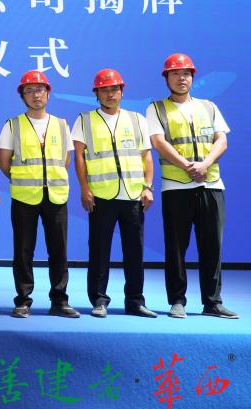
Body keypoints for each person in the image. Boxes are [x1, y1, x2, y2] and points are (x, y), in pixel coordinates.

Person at [147, 53, 237, 319]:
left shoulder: (209, 106)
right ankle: (177, 301)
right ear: (166, 78)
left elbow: (222, 140)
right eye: (175, 73)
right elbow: (158, 142)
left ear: (193, 77)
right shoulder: (157, 109)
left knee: (212, 246)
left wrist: (205, 164)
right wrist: (189, 166)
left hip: (211, 184)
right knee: (176, 247)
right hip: (176, 187)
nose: (181, 78)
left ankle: (213, 302)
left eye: (186, 73)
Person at [73, 68, 156, 318]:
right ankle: (99, 300)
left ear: (122, 91)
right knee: (99, 251)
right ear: (96, 94)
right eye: (105, 90)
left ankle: (135, 301)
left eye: (114, 89)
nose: (110, 94)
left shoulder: (137, 119)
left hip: (132, 195)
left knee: (135, 251)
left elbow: (146, 156)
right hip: (101, 196)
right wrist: (85, 189)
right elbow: (79, 157)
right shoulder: (84, 120)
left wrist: (148, 187)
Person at [0, 70, 79, 319]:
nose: (35, 95)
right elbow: (4, 162)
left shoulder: (61, 125)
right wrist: (26, 178)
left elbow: (65, 160)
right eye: (29, 91)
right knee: (23, 251)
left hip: (55, 195)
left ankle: (60, 300)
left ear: (48, 93)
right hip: (25, 196)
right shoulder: (13, 125)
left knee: (59, 250)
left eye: (40, 89)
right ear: (22, 96)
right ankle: (23, 300)